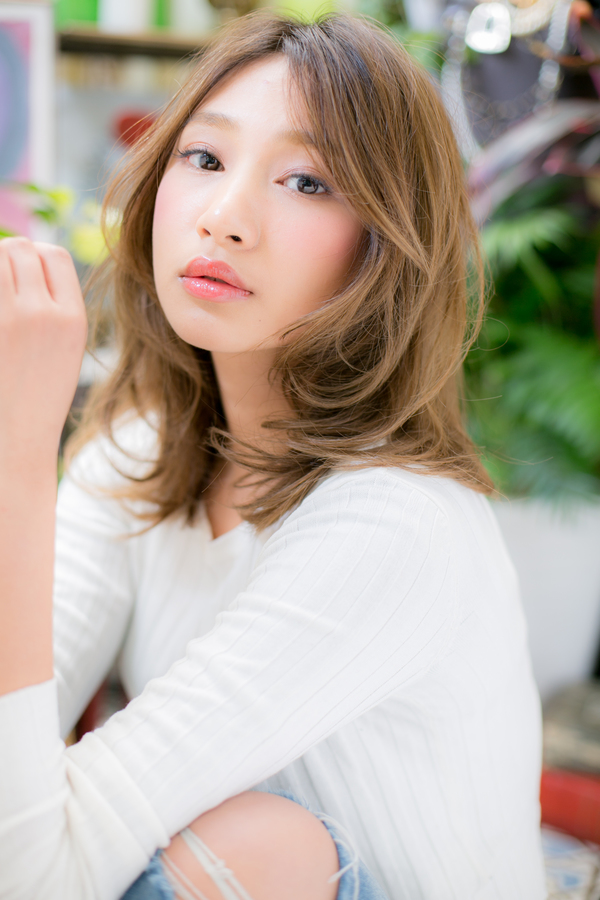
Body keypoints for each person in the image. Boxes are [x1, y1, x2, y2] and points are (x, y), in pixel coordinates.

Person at [0, 12, 546, 900]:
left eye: (306, 181)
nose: (223, 219)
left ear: (384, 247)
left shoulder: (394, 527)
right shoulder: (142, 448)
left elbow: (31, 874)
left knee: (264, 845)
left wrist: (16, 454)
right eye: (204, 158)